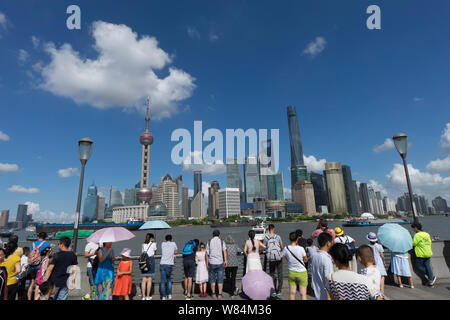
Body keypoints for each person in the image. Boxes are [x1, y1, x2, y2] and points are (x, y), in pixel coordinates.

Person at [281, 232, 308, 300]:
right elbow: (305, 260)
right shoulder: (301, 248)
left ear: (289, 239)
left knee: (292, 293)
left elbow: (281, 256)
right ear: (297, 239)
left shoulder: (286, 248)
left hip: (291, 272)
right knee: (303, 294)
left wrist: (288, 259)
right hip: (302, 273)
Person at [310, 232, 334, 300]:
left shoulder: (314, 256)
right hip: (326, 296)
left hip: (317, 294)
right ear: (328, 243)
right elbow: (328, 280)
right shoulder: (326, 259)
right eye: (331, 242)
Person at [27, 232, 51, 300]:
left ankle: (29, 298)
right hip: (39, 266)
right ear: (45, 237)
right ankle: (35, 298)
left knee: (31, 283)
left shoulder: (33, 243)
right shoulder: (46, 243)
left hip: (31, 265)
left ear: (38, 236)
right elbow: (48, 253)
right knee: (38, 284)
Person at [263, 224, 284, 297]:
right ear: (273, 229)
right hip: (278, 257)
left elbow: (264, 247)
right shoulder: (278, 236)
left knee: (272, 273)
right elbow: (282, 247)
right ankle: (279, 290)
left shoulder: (266, 237)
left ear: (268, 229)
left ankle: (273, 290)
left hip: (271, 257)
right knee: (280, 274)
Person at [206, 229, 228, 299]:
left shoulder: (209, 241)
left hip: (212, 262)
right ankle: (220, 294)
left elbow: (207, 254)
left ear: (213, 234)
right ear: (219, 234)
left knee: (212, 279)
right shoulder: (222, 241)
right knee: (220, 279)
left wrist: (207, 263)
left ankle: (213, 294)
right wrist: (226, 261)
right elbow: (224, 251)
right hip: (220, 262)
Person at [160, 234, 177, 300]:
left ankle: (163, 296)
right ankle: (169, 295)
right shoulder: (173, 243)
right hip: (169, 264)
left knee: (163, 281)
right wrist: (174, 254)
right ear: (171, 239)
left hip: (162, 263)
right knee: (169, 280)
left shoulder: (162, 244)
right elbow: (175, 251)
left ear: (165, 239)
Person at [141, 233, 157, 300]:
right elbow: (155, 253)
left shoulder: (143, 244)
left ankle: (143, 296)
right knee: (149, 279)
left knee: (144, 280)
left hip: (144, 262)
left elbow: (142, 253)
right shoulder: (153, 244)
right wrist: (156, 245)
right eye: (153, 238)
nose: (153, 239)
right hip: (150, 261)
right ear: (151, 238)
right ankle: (148, 296)